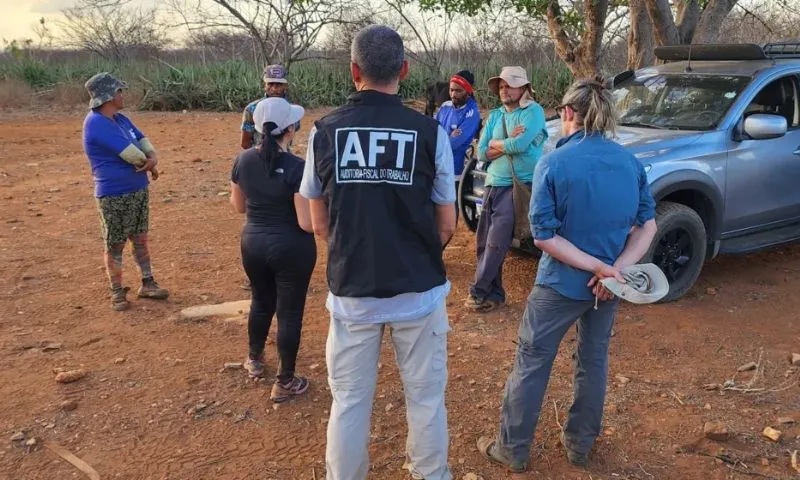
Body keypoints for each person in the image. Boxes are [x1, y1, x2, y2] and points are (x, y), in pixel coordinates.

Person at [476, 77, 658, 472]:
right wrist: (615, 271)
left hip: (561, 283)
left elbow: (544, 236)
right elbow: (648, 226)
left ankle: (513, 447)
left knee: (533, 359)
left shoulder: (554, 162)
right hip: (608, 288)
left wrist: (598, 268)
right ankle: (580, 445)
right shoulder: (629, 162)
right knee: (593, 360)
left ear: (569, 113)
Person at [300, 25, 456, 480]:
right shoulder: (430, 132)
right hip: (419, 290)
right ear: (403, 71)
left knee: (348, 402)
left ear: (354, 72)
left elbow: (318, 221)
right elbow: (446, 224)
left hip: (353, 291)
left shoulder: (324, 131)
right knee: (425, 397)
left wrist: (358, 250)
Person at [230, 97, 316, 403]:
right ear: (290, 130)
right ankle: (285, 381)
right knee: (289, 312)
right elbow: (306, 223)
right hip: (291, 247)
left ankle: (254, 359)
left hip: (252, 243)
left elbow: (238, 207)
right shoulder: (297, 168)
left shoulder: (242, 160)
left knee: (260, 301)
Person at [82, 72, 169, 312]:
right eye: (119, 91)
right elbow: (132, 154)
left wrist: (152, 158)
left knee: (140, 238)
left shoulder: (120, 120)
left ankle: (147, 282)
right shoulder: (96, 123)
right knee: (115, 243)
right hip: (113, 193)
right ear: (109, 96)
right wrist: (151, 163)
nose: (123, 95)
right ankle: (117, 291)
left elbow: (142, 140)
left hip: (136, 189)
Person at [466, 66, 548, 313]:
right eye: (501, 86)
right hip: (493, 184)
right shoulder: (495, 115)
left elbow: (520, 144)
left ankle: (478, 291)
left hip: (517, 186)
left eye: (509, 85)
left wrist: (496, 143)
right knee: (484, 241)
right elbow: (481, 153)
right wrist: (504, 144)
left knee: (497, 242)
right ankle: (494, 294)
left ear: (523, 87)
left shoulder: (533, 112)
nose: (504, 90)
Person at [434, 70, 481, 207]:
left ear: (468, 91)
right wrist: (449, 136)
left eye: (458, 91)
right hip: (436, 165)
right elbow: (431, 131)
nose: (453, 94)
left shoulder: (472, 113)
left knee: (449, 209)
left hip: (456, 170)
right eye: (451, 90)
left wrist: (443, 138)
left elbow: (454, 145)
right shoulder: (445, 106)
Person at [241, 64, 290, 149]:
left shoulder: (292, 110)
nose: (274, 89)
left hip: (277, 157)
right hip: (260, 157)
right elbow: (245, 143)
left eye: (278, 84)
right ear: (265, 85)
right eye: (270, 84)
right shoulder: (251, 109)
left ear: (285, 86)